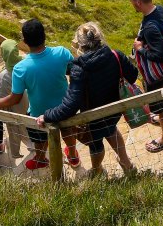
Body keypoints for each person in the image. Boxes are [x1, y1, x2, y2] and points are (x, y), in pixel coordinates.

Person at [0, 19, 74, 170]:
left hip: (39, 114)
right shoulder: (62, 52)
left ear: (25, 41)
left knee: (40, 138)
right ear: (44, 35)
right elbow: (73, 71)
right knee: (67, 131)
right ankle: (73, 156)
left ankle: (40, 159)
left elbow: (14, 99)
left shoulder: (21, 68)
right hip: (65, 107)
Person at [38, 23, 136, 175]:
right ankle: (127, 164)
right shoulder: (116, 55)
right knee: (111, 129)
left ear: (79, 43)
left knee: (96, 144)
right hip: (115, 109)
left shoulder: (80, 68)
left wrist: (47, 115)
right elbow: (133, 75)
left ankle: (97, 170)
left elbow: (71, 105)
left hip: (93, 116)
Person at [128, 0, 163, 153]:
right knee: (161, 104)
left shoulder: (150, 27)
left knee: (161, 105)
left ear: (138, 3)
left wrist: (140, 49)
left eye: (132, 2)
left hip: (157, 74)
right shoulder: (161, 10)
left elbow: (161, 55)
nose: (132, 4)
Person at [0, 37, 30, 159]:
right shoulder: (25, 63)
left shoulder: (4, 75)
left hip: (13, 106)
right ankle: (32, 146)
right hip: (27, 104)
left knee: (13, 130)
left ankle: (15, 153)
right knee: (27, 126)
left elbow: (2, 94)